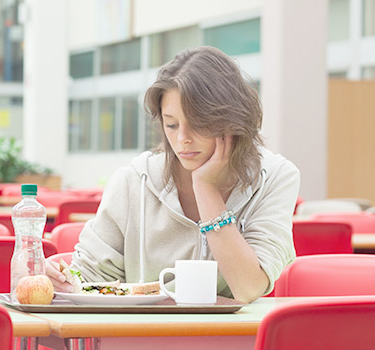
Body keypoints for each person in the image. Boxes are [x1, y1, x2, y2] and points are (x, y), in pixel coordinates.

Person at [47, 46, 300, 303]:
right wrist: (56, 279)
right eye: (171, 124)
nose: (182, 140)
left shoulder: (276, 177)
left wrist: (206, 189)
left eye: (199, 124)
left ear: (233, 121)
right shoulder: (134, 181)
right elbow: (88, 280)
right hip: (143, 340)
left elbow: (248, 288)